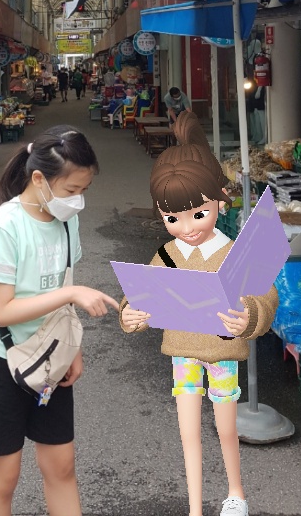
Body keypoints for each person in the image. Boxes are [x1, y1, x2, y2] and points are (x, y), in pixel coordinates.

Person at [0, 126, 119, 516]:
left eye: (83, 191)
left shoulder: (66, 219)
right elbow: (2, 309)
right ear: (39, 179)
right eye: (71, 191)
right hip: (0, 360)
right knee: (5, 476)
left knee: (62, 466)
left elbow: (63, 283)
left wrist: (73, 349)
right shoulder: (7, 225)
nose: (78, 201)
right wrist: (71, 295)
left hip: (51, 355)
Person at [119, 154, 278, 516]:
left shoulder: (234, 251)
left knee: (226, 429)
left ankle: (235, 492)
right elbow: (143, 291)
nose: (186, 228)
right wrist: (130, 313)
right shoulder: (167, 253)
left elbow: (265, 295)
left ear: (220, 202)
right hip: (182, 353)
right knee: (188, 433)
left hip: (222, 352)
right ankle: (194, 507)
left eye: (198, 214)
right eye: (172, 219)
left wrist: (250, 316)